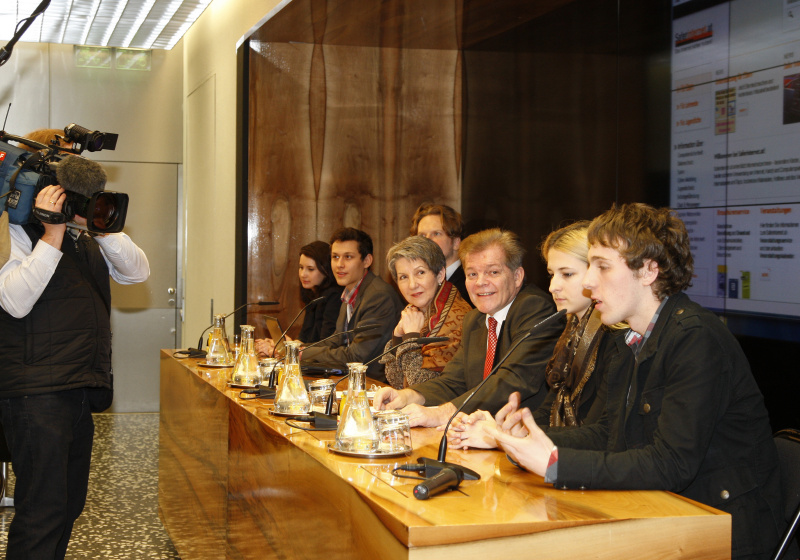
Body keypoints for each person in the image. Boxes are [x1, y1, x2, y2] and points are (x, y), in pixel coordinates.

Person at [482, 203, 782, 560]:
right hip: (665, 515)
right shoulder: (629, 338)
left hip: (723, 533)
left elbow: (671, 463)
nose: (589, 281)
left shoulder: (696, 338)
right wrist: (529, 441)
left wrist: (555, 463)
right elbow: (608, 432)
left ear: (649, 270)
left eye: (602, 266)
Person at [0, 155, 149, 559]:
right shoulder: (12, 228)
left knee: (67, 507)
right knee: (41, 511)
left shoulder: (86, 237)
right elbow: (13, 300)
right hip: (35, 393)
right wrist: (51, 233)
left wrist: (96, 223)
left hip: (79, 386)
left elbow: (137, 271)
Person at [447, 221, 620, 449]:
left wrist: (504, 438)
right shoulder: (571, 332)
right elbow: (550, 409)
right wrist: (509, 430)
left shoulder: (616, 338)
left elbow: (600, 434)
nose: (553, 287)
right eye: (552, 275)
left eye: (567, 274)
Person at [372, 228, 562, 427]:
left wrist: (443, 413)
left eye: (493, 272)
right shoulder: (475, 319)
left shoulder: (534, 309)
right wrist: (408, 396)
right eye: (472, 274)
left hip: (525, 436)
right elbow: (454, 381)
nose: (480, 282)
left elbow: (511, 381)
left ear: (517, 276)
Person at [300, 227, 402, 382]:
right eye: (335, 257)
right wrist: (300, 349)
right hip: (352, 380)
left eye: (348, 257)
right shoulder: (350, 291)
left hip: (376, 385)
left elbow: (356, 356)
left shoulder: (378, 296)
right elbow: (336, 340)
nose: (339, 264)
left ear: (367, 261)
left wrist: (303, 353)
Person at [379, 236, 472, 389]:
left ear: (440, 275)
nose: (412, 284)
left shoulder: (455, 318)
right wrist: (397, 336)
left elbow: (425, 389)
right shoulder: (414, 311)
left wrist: (410, 339)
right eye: (403, 277)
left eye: (420, 273)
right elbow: (396, 380)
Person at [255, 240, 343, 356]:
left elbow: (325, 345)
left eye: (310, 269)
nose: (303, 274)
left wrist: (289, 347)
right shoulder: (314, 295)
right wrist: (279, 345)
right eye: (301, 267)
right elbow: (304, 338)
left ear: (326, 270)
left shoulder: (334, 297)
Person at [410, 203, 471, 305]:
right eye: (422, 235)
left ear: (456, 242)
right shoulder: (415, 284)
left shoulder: (470, 283)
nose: (427, 240)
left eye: (436, 234)